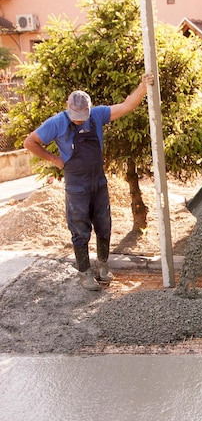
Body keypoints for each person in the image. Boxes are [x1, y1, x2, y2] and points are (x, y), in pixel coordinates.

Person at [24, 72, 155, 290]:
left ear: (89, 108)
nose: (78, 118)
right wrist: (55, 160)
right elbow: (30, 142)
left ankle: (103, 266)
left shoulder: (97, 115)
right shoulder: (57, 122)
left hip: (98, 181)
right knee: (80, 228)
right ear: (67, 106)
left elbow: (125, 106)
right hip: (76, 184)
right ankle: (84, 273)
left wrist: (143, 86)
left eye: (82, 114)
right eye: (75, 114)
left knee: (104, 224)